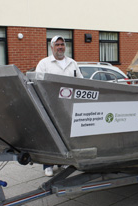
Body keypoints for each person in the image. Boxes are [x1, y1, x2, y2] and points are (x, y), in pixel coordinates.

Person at [36, 35, 83, 176]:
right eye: (57, 45)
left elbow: (80, 81)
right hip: (50, 106)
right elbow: (38, 83)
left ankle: (62, 161)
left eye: (62, 44)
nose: (60, 47)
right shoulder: (44, 64)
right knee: (50, 135)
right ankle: (48, 165)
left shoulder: (72, 63)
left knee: (65, 136)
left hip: (68, 107)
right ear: (52, 47)